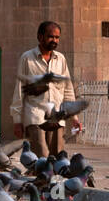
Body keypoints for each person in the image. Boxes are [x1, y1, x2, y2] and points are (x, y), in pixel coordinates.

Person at [10, 20, 79, 157]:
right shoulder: (27, 58)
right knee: (42, 158)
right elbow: (19, 90)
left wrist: (74, 117)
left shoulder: (61, 59)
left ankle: (55, 179)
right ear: (40, 37)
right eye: (51, 36)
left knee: (58, 159)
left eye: (57, 37)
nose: (54, 40)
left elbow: (68, 89)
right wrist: (17, 121)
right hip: (36, 117)